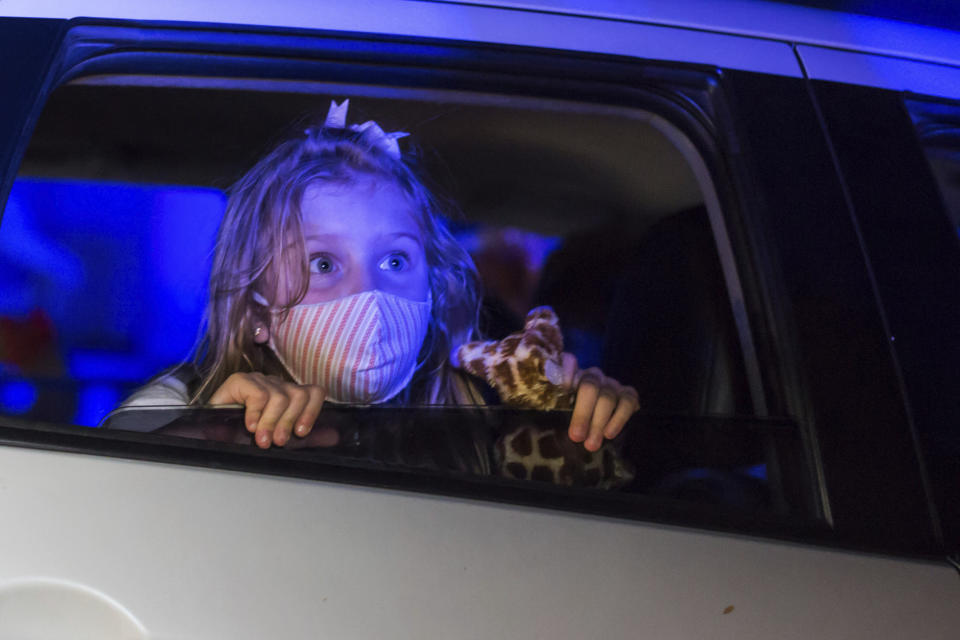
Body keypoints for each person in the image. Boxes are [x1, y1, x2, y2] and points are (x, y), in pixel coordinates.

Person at [123, 100, 638, 451]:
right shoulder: (178, 402)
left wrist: (586, 420)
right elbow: (113, 502)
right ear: (258, 309)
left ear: (432, 288)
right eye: (323, 265)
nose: (369, 294)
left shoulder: (486, 418)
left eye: (395, 262)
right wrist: (207, 433)